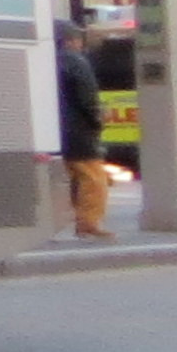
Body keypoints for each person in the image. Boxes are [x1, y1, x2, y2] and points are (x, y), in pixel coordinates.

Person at [56, 24, 114, 241]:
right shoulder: (76, 62)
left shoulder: (47, 60)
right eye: (79, 39)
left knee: (72, 179)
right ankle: (88, 223)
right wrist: (98, 119)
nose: (81, 44)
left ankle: (76, 220)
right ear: (70, 41)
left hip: (56, 131)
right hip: (78, 131)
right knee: (94, 178)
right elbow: (87, 97)